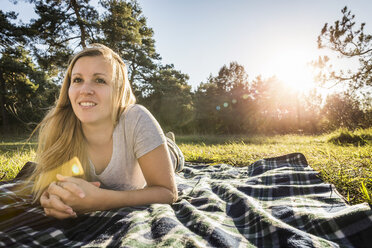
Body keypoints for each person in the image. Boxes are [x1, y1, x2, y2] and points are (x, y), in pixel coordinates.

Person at [26, 43, 184, 219]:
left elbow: (168, 192)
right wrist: (50, 198)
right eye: (78, 80)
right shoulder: (61, 127)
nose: (85, 90)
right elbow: (45, 184)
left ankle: (167, 141)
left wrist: (101, 200)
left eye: (100, 80)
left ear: (118, 90)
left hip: (169, 153)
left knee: (172, 156)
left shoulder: (136, 117)